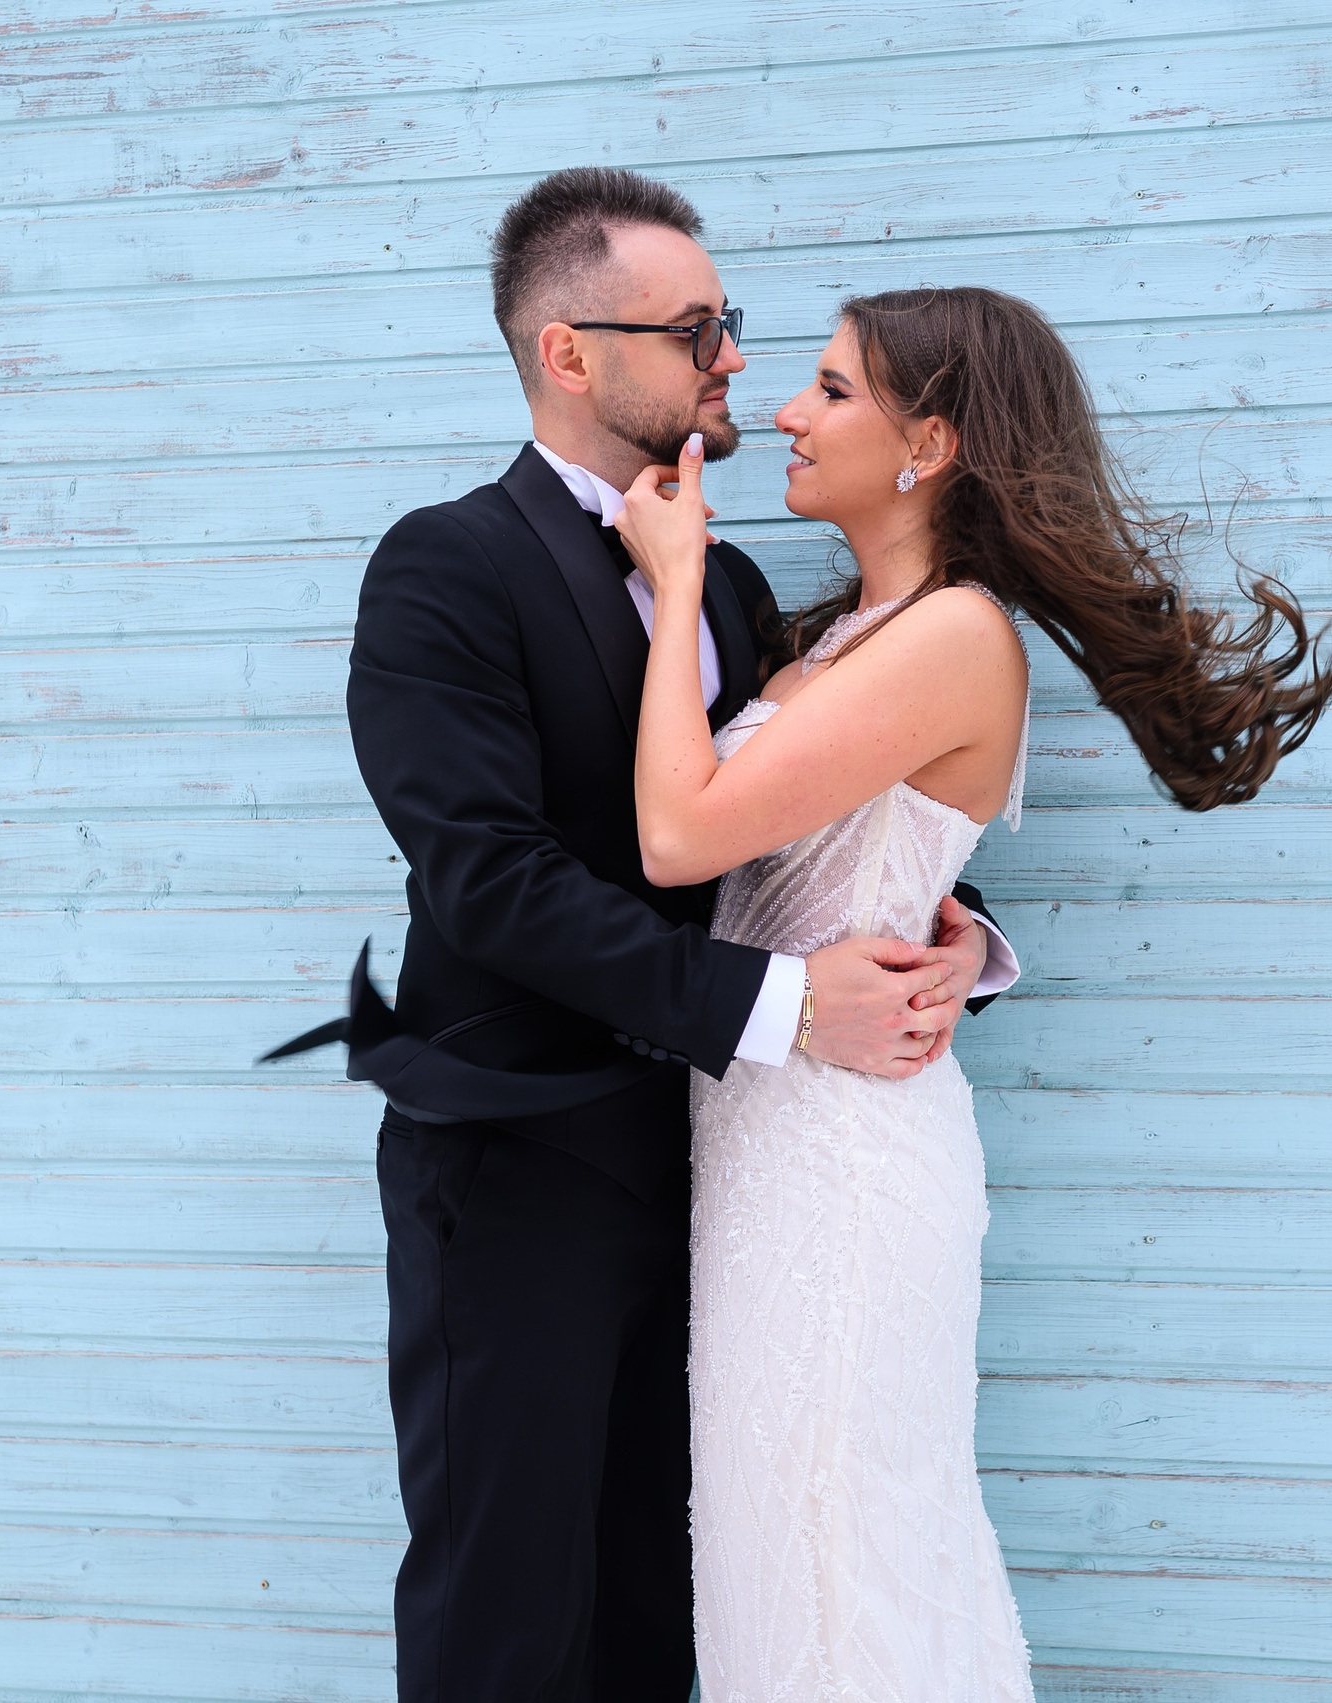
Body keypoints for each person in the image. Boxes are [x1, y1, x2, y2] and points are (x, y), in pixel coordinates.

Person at [305, 169, 1023, 1703]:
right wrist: (783, 1008)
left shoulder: (741, 579)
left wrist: (952, 936)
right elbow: (489, 882)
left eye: (733, 324)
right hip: (521, 1172)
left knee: (670, 1618)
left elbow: (812, 822)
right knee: (509, 1617)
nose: (733, 362)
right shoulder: (445, 567)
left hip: (727, 1174)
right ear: (572, 353)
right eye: (697, 327)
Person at [611, 285, 1332, 1701]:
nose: (783, 409)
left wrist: (675, 581)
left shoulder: (956, 635)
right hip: (770, 1150)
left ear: (931, 442)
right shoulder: (858, 632)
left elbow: (679, 832)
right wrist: (965, 940)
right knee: (789, 1574)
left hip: (841, 1172)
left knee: (849, 1580)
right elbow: (845, 877)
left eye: (830, 391)